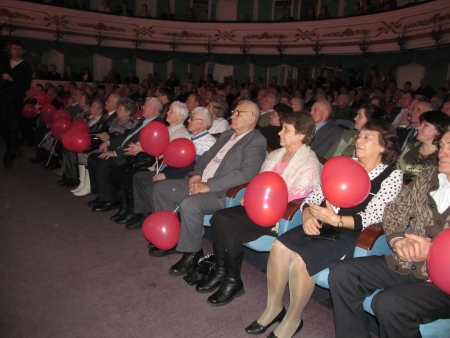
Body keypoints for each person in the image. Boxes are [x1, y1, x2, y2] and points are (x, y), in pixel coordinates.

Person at [246, 120, 403, 338]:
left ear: (384, 147)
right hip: (320, 220)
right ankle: (274, 308)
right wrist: (308, 214)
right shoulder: (344, 163)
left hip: (350, 233)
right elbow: (315, 195)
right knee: (279, 245)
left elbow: (374, 217)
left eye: (368, 137)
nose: (360, 140)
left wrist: (336, 219)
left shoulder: (391, 175)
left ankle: (293, 318)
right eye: (360, 135)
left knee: (302, 260)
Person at [329, 129, 450, 338]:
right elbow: (395, 210)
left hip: (443, 283)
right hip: (405, 263)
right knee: (342, 273)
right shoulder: (429, 175)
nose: (442, 153)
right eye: (443, 146)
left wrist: (435, 253)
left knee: (388, 303)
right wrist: (397, 240)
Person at [203, 112, 320, 306]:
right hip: (257, 208)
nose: (280, 133)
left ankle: (232, 281)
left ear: (301, 135)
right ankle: (222, 272)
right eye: (281, 128)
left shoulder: (309, 163)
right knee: (218, 217)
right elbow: (259, 182)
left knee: (227, 222)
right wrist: (250, 196)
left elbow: (298, 198)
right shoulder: (276, 155)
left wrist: (258, 200)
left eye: (286, 130)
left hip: (279, 216)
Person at [149, 100, 267, 277]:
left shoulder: (256, 140)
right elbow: (205, 158)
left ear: (251, 118)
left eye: (237, 113)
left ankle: (193, 253)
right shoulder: (227, 136)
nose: (232, 116)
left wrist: (208, 186)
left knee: (190, 203)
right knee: (161, 189)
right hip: (199, 181)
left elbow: (246, 174)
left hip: (222, 192)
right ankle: (171, 238)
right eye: (233, 112)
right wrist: (196, 175)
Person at [124, 107, 216, 230]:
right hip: (173, 172)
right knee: (139, 177)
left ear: (202, 122)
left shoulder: (208, 142)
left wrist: (165, 176)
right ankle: (144, 216)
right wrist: (161, 172)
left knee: (155, 187)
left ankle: (166, 225)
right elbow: (172, 160)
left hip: (186, 177)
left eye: (192, 118)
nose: (188, 120)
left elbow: (193, 167)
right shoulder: (187, 139)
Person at [1, 40, 32, 168]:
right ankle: (12, 148)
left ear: (23, 52)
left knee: (12, 126)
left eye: (19, 49)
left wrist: (12, 79)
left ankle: (10, 153)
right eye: (14, 48)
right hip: (2, 98)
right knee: (5, 127)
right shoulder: (5, 63)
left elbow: (25, 85)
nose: (16, 51)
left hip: (15, 100)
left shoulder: (26, 66)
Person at [397, 111, 450, 183]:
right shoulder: (413, 144)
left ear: (439, 130)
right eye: (421, 124)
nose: (418, 127)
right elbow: (397, 165)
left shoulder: (443, 155)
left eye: (425, 125)